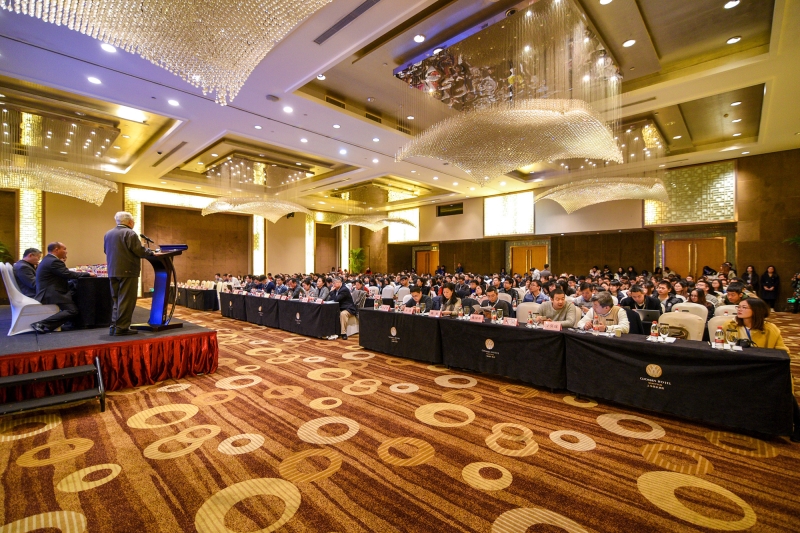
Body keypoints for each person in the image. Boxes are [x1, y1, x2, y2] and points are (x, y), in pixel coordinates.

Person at [104, 212, 155, 336]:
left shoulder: (108, 234)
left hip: (113, 271)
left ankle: (114, 326)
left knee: (116, 299)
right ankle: (122, 328)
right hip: (128, 271)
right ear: (130, 222)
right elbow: (138, 251)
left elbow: (106, 250)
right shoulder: (130, 233)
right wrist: (150, 252)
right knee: (127, 300)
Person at [31, 242, 95, 333]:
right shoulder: (54, 261)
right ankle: (41, 324)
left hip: (48, 290)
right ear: (56, 250)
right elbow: (68, 274)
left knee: (74, 295)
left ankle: (73, 322)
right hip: (51, 293)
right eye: (64, 249)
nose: (66, 251)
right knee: (72, 310)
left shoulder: (47, 259)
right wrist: (88, 274)